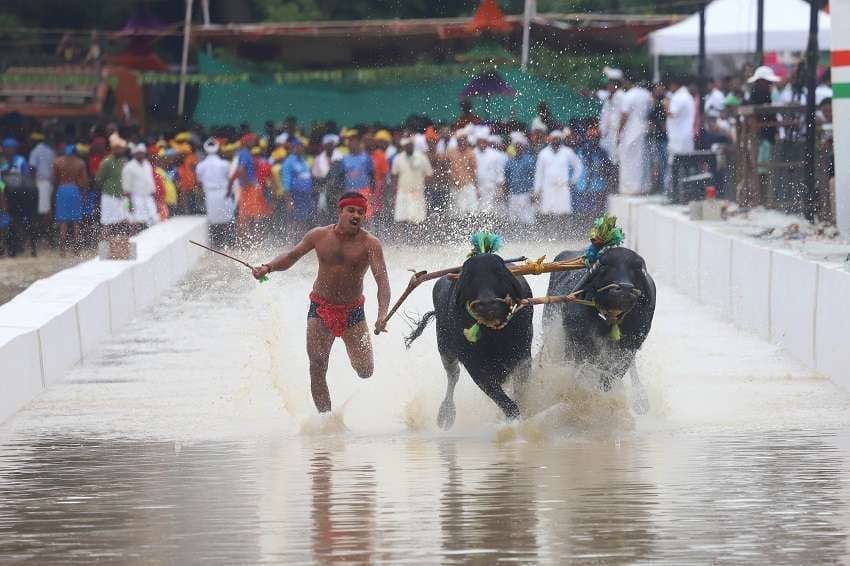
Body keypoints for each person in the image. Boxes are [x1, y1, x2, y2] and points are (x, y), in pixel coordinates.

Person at [251, 191, 391, 414]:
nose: (356, 215)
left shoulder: (370, 244)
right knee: (317, 367)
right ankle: (327, 423)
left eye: (361, 212)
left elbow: (383, 282)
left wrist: (382, 314)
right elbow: (291, 257)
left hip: (353, 312)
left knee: (366, 371)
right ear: (340, 212)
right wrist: (267, 267)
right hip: (320, 309)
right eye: (351, 210)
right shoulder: (318, 236)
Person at [533, 130, 583, 229]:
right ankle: (549, 233)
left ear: (561, 140)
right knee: (548, 211)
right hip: (548, 187)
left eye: (557, 139)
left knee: (563, 211)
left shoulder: (568, 152)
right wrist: (537, 190)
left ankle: (563, 234)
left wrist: (573, 181)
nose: (555, 141)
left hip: (562, 186)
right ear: (550, 140)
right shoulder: (543, 153)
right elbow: (539, 173)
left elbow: (578, 166)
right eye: (553, 139)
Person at [1, 138, 37, 257]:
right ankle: (11, 248)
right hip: (5, 193)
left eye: (11, 148)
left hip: (19, 195)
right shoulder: (2, 161)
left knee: (22, 221)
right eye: (6, 148)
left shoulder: (21, 160)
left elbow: (26, 177)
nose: (8, 150)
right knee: (10, 223)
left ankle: (26, 246)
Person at [196, 138, 235, 247]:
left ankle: (217, 244)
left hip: (210, 194)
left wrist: (200, 197)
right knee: (227, 219)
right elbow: (230, 179)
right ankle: (230, 243)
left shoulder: (200, 166)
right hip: (224, 192)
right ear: (218, 150)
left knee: (214, 221)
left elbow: (199, 183)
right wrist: (230, 192)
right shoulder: (224, 164)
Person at [52, 144, 89, 256]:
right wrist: (83, 194)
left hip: (62, 189)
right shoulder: (80, 163)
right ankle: (76, 249)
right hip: (74, 190)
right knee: (75, 222)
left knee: (63, 222)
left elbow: (54, 179)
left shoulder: (57, 162)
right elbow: (84, 181)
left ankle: (62, 250)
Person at [617, 77, 653, 195]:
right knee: (643, 159)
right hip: (644, 129)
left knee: (630, 161)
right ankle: (644, 187)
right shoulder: (647, 94)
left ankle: (631, 189)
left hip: (631, 131)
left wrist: (619, 130)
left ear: (628, 81)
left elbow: (624, 115)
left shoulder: (629, 95)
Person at [391, 136, 432, 227]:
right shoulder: (398, 158)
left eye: (410, 145)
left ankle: (417, 240)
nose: (409, 147)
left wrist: (423, 187)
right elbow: (394, 175)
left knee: (417, 220)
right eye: (406, 146)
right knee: (400, 219)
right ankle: (399, 240)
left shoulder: (421, 157)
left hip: (417, 192)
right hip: (402, 192)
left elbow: (429, 174)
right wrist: (395, 191)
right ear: (404, 147)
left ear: (413, 145)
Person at [96, 134, 129, 237]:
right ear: (114, 149)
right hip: (109, 197)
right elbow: (98, 179)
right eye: (120, 149)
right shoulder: (106, 162)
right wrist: (108, 188)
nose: (122, 151)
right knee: (107, 223)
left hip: (120, 196)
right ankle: (104, 247)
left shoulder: (122, 162)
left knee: (121, 222)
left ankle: (118, 247)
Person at [121, 143, 159, 227]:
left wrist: (154, 195)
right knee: (139, 220)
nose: (140, 154)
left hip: (148, 197)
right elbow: (126, 187)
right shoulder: (129, 167)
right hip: (136, 198)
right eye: (138, 153)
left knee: (154, 219)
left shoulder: (147, 165)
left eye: (142, 152)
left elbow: (150, 180)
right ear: (134, 154)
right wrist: (129, 204)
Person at [282, 138, 314, 235]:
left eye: (302, 147)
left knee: (303, 219)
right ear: (293, 148)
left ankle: (302, 240)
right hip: (295, 195)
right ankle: (290, 242)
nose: (301, 149)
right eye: (298, 147)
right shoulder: (289, 162)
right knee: (293, 219)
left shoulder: (304, 161)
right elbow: (286, 180)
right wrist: (288, 199)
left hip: (305, 196)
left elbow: (307, 176)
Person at [503, 132, 536, 225]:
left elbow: (533, 176)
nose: (518, 147)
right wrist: (505, 191)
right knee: (513, 218)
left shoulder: (529, 160)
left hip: (525, 193)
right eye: (516, 146)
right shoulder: (510, 161)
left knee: (527, 218)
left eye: (520, 146)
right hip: (513, 193)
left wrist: (533, 192)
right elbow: (507, 177)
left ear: (523, 147)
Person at [340, 135, 375, 218]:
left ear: (359, 144)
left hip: (364, 190)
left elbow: (371, 175)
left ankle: (367, 230)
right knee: (350, 215)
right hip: (349, 191)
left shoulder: (366, 157)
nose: (352, 145)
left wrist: (372, 192)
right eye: (350, 143)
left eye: (355, 143)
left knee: (366, 215)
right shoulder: (344, 159)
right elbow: (341, 177)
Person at [28, 132, 56, 232]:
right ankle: (48, 232)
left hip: (41, 183)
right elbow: (55, 168)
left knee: (43, 210)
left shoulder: (35, 151)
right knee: (47, 207)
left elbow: (32, 168)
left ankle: (45, 232)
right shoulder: (51, 151)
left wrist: (32, 181)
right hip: (50, 183)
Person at [445, 133, 478, 216]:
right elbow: (446, 167)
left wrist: (469, 181)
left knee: (470, 210)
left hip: (467, 185)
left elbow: (474, 171)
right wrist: (452, 178)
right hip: (454, 185)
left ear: (467, 141)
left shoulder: (471, 154)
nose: (462, 142)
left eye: (464, 140)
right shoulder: (451, 152)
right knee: (455, 210)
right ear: (457, 141)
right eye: (460, 140)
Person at [473, 134, 506, 215]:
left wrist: (500, 189)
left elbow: (500, 173)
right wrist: (475, 187)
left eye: (483, 142)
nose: (481, 144)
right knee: (479, 211)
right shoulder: (473, 153)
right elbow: (472, 172)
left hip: (492, 186)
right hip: (478, 187)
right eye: (479, 142)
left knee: (492, 210)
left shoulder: (495, 154)